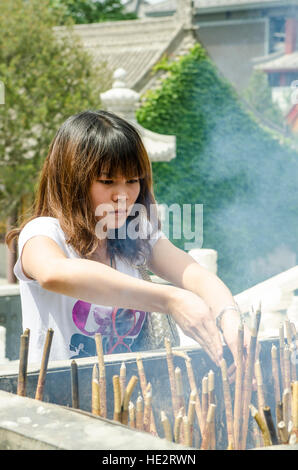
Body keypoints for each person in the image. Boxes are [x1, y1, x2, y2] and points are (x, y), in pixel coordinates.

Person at [6, 110, 249, 366]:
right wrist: (171, 299)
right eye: (107, 181)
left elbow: (195, 275)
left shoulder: (136, 235)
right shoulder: (43, 232)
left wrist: (229, 316)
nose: (123, 194)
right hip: (58, 400)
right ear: (72, 180)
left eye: (133, 180)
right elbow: (53, 273)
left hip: (129, 399)